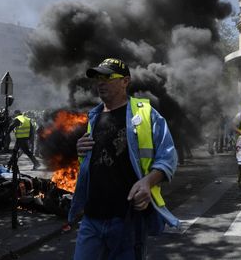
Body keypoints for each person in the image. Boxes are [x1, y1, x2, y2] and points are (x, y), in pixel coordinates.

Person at [69, 58, 180, 260]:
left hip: (127, 221)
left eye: (107, 77)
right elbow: (99, 162)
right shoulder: (93, 117)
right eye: (98, 78)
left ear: (125, 81)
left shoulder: (146, 114)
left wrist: (148, 181)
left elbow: (169, 157)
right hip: (92, 218)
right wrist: (80, 151)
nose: (100, 82)